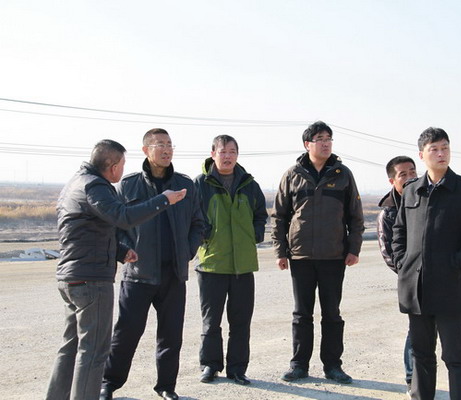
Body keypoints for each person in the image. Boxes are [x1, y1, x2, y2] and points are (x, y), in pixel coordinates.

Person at [45, 139, 187, 400]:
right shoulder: (95, 186)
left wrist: (120, 252)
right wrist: (163, 200)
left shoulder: (75, 182)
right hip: (90, 280)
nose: (123, 169)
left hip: (72, 276)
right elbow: (123, 217)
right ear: (112, 166)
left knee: (71, 347)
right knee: (93, 351)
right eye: (122, 163)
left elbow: (86, 228)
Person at [99, 129, 206, 400]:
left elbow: (199, 223)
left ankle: (166, 386)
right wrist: (124, 250)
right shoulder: (129, 185)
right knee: (126, 333)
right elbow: (114, 225)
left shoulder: (185, 185)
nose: (167, 149)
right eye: (160, 144)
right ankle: (108, 383)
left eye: (170, 144)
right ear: (146, 150)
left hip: (173, 273)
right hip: (139, 273)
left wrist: (188, 251)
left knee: (171, 336)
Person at [391, 127, 461, 400]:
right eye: (434, 149)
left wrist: (459, 263)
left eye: (445, 148)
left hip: (449, 286)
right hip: (416, 287)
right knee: (421, 355)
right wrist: (403, 263)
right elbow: (399, 231)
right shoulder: (412, 190)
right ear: (421, 155)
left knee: (456, 357)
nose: (440, 153)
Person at [271, 121, 365, 384]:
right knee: (302, 314)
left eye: (329, 139)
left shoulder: (343, 174)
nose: (326, 143)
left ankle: (333, 366)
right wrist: (280, 251)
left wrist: (354, 249)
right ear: (307, 144)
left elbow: (355, 217)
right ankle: (299, 365)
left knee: (332, 313)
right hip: (300, 256)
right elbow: (279, 216)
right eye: (320, 139)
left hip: (334, 256)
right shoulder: (292, 175)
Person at [194, 135, 267, 386]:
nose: (227, 156)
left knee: (240, 322)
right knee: (211, 321)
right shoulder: (200, 184)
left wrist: (255, 235)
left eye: (232, 152)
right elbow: (191, 216)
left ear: (237, 155)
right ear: (213, 154)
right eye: (223, 151)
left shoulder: (249, 184)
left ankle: (237, 369)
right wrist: (205, 236)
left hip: (243, 265)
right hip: (212, 263)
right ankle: (210, 365)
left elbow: (261, 215)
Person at [376, 156, 417, 396]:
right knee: (417, 330)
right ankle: (412, 378)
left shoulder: (427, 199)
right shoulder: (388, 213)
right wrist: (411, 275)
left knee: (456, 325)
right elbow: (389, 254)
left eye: (413, 172)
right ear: (393, 180)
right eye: (403, 174)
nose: (410, 178)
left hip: (441, 276)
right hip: (413, 281)